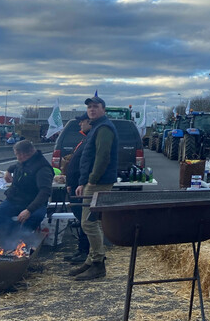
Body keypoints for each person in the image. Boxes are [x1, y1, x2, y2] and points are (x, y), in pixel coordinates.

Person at [69, 96, 118, 281]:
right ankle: (91, 260)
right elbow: (88, 157)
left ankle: (98, 264)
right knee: (92, 222)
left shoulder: (104, 128)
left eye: (95, 106)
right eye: (89, 107)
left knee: (88, 223)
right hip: (91, 181)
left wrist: (91, 180)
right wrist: (82, 181)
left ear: (103, 109)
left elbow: (102, 157)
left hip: (98, 182)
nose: (92, 109)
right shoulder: (96, 127)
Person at [0, 140, 54, 237]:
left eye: (17, 154)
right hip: (14, 200)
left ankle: (21, 239)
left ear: (23, 154)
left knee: (34, 218)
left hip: (34, 203)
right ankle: (12, 237)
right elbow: (17, 165)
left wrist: (29, 210)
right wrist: (9, 170)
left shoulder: (43, 169)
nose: (17, 157)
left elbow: (45, 192)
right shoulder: (25, 161)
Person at [63, 113, 92, 264]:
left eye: (82, 121)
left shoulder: (90, 140)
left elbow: (85, 165)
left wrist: (79, 182)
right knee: (81, 219)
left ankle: (85, 251)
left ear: (90, 122)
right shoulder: (85, 139)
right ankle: (81, 249)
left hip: (80, 186)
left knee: (84, 219)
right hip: (75, 186)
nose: (80, 124)